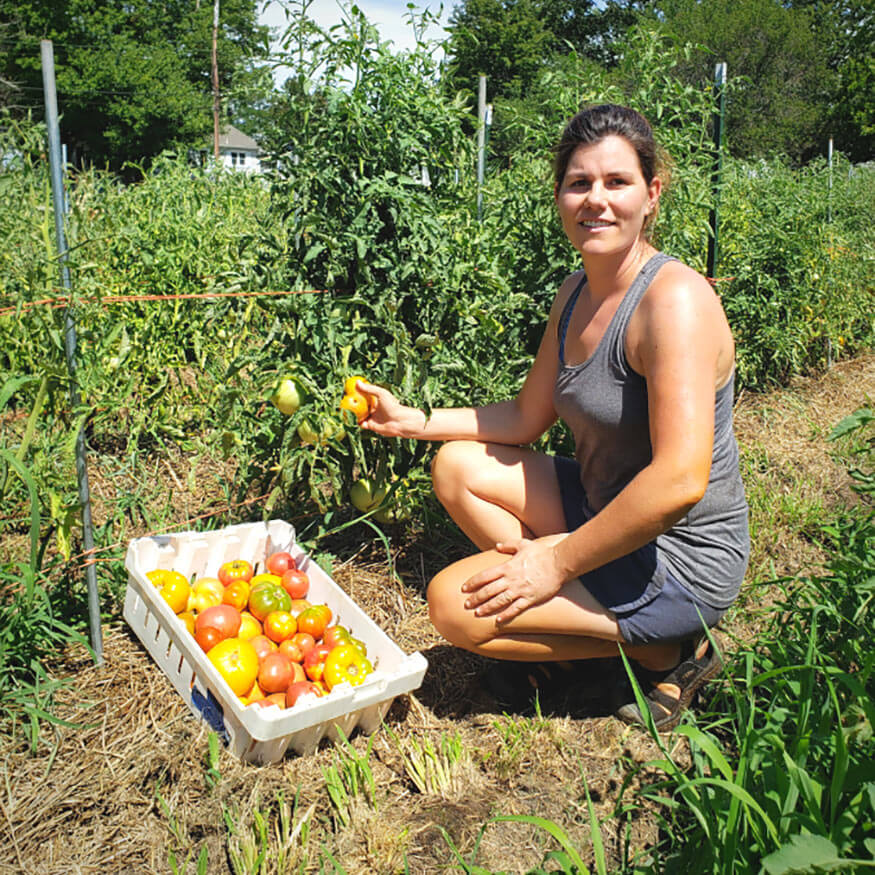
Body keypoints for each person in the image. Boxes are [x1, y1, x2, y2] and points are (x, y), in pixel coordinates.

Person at [353, 103, 749, 730]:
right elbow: (523, 417)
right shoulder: (575, 293)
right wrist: (412, 419)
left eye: (617, 182)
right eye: (579, 183)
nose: (596, 200)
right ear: (561, 196)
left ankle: (668, 650)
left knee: (453, 608)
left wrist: (556, 563)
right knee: (456, 467)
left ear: (652, 192)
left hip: (679, 553)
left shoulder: (673, 303)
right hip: (603, 508)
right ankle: (584, 617)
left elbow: (680, 482)